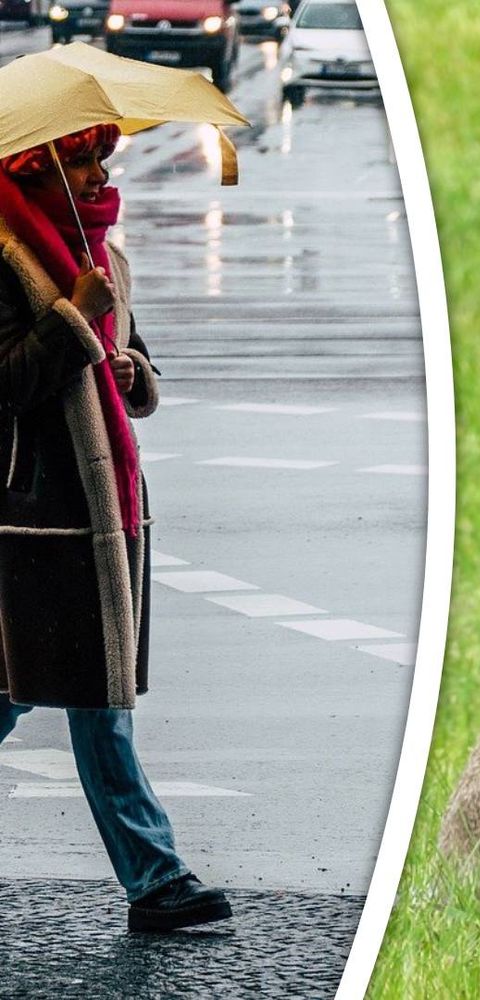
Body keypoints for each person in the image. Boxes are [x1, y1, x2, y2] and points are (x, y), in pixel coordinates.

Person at [0, 125, 232, 932]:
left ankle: (155, 880)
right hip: (32, 520)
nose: (96, 173)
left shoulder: (103, 254)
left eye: (99, 158)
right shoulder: (7, 257)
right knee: (61, 696)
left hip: (107, 513)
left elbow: (128, 361)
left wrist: (132, 372)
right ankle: (156, 877)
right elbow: (8, 382)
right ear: (35, 168)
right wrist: (72, 318)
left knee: (86, 700)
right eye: (76, 160)